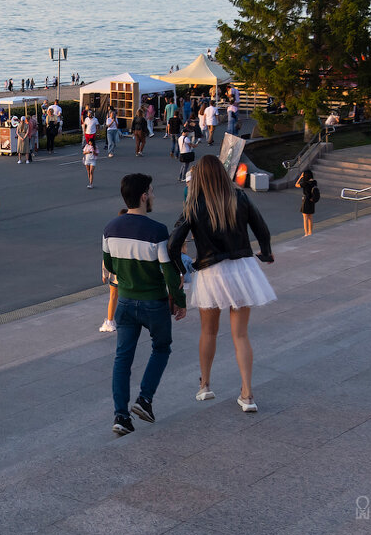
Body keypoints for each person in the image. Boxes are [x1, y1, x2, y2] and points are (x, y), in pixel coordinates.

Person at [169, 155, 276, 413]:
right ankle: (247, 395)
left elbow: (173, 242)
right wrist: (266, 252)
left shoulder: (193, 205)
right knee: (240, 335)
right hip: (242, 268)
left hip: (210, 271)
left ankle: (205, 386)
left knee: (209, 332)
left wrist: (180, 268)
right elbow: (262, 228)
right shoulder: (239, 197)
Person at [102, 173, 186, 436]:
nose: (153, 195)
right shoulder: (157, 230)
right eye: (151, 191)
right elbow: (169, 272)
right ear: (143, 196)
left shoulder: (110, 228)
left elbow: (110, 266)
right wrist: (180, 301)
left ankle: (121, 416)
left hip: (124, 302)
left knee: (122, 359)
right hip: (153, 303)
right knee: (161, 348)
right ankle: (144, 400)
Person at [296, 169, 319, 236]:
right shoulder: (315, 182)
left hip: (306, 200)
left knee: (305, 217)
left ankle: (306, 233)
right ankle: (310, 232)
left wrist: (300, 177)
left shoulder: (305, 183)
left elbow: (296, 185)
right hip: (312, 200)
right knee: (310, 217)